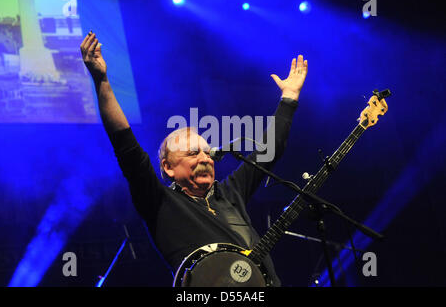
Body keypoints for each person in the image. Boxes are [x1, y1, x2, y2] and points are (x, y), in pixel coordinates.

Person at [80, 31, 308, 286]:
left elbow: (268, 151)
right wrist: (102, 81)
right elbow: (126, 146)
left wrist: (289, 99)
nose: (205, 158)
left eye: (207, 152)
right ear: (168, 167)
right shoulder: (160, 202)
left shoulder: (230, 192)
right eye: (192, 153)